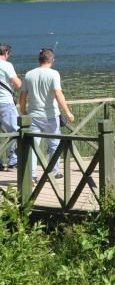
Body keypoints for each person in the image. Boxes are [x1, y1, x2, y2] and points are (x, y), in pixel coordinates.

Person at [19, 49, 74, 181]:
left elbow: (23, 96)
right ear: (52, 60)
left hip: (33, 116)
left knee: (32, 146)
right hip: (51, 115)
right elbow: (58, 94)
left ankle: (31, 176)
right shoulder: (54, 74)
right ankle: (53, 173)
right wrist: (67, 112)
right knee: (54, 145)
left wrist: (23, 112)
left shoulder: (29, 74)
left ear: (39, 60)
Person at [0, 43, 22, 172]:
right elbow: (18, 83)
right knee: (16, 132)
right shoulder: (7, 65)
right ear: (6, 52)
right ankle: (13, 161)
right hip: (5, 103)